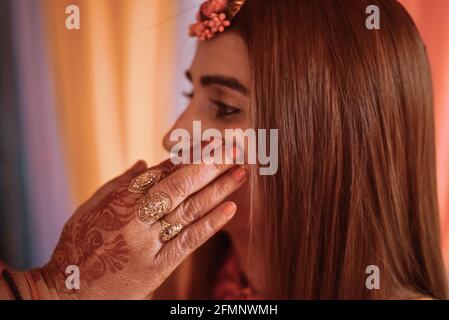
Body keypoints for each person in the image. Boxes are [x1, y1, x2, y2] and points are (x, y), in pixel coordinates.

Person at [1, 0, 447, 300]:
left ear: (329, 142)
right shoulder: (173, 284)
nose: (175, 135)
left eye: (225, 107)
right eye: (188, 95)